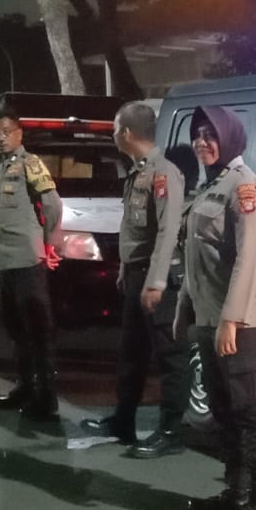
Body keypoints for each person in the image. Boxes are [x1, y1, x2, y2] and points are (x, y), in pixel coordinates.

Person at [176, 105, 256, 510]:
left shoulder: (244, 186)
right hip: (209, 317)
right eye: (198, 134)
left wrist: (230, 320)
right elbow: (195, 256)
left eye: (210, 134)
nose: (202, 142)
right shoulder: (210, 185)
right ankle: (235, 495)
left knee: (253, 413)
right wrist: (184, 311)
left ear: (230, 138)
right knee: (225, 412)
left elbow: (248, 259)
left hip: (241, 323)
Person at [81, 101, 193, 457]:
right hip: (136, 274)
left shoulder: (164, 173)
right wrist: (124, 269)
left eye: (115, 129)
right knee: (131, 353)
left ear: (127, 133)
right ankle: (123, 421)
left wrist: (156, 281)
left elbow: (167, 230)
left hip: (156, 277)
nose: (113, 135)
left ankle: (171, 431)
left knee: (171, 357)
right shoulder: (138, 171)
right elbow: (132, 228)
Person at [0, 111, 64, 422]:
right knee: (16, 329)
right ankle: (25, 387)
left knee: (37, 331)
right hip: (6, 261)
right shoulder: (1, 169)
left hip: (28, 261)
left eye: (6, 131)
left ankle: (46, 398)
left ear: (19, 134)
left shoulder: (30, 163)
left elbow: (52, 202)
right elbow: (0, 220)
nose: (0, 138)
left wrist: (50, 243)